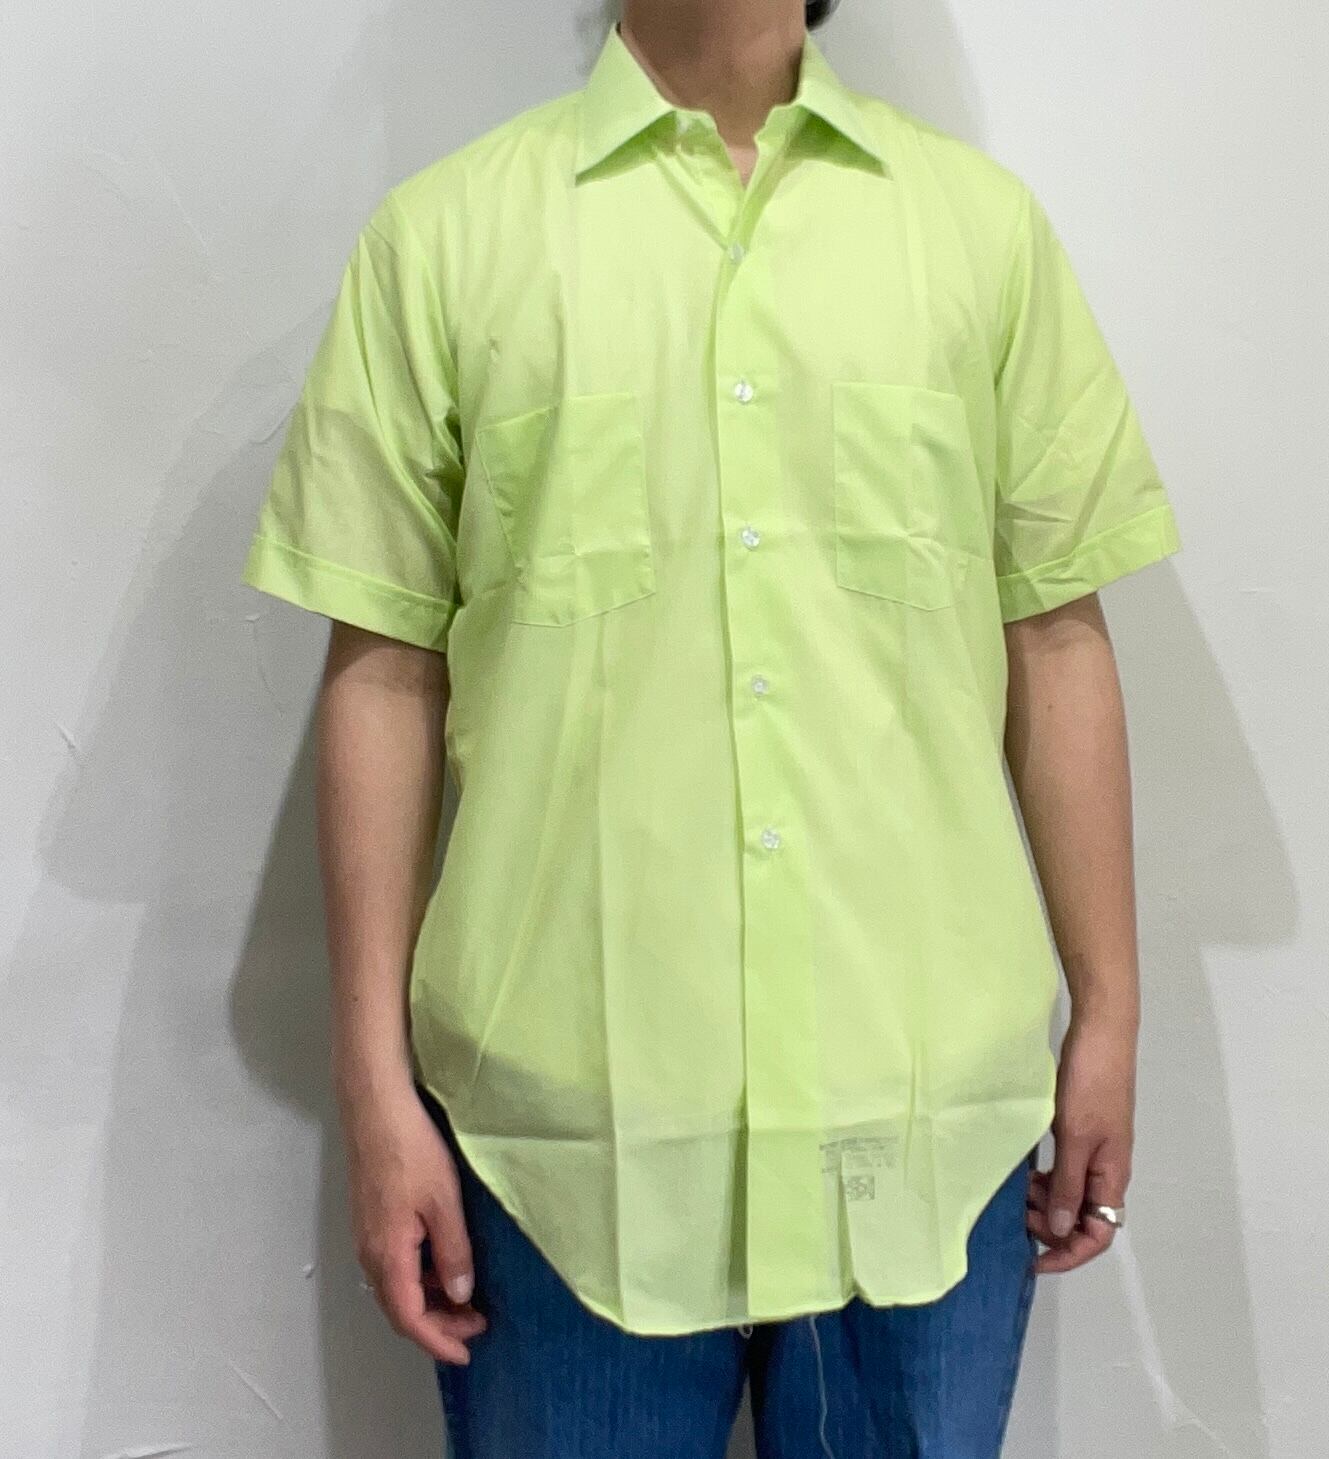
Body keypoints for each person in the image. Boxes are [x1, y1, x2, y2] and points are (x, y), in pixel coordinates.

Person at [239, 0, 1180, 1453]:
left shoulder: (978, 237)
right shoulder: (444, 243)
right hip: (561, 1143)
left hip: (921, 1119)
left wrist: (1111, 1010)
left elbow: (1053, 635)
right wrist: (373, 1083)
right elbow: (383, 672)